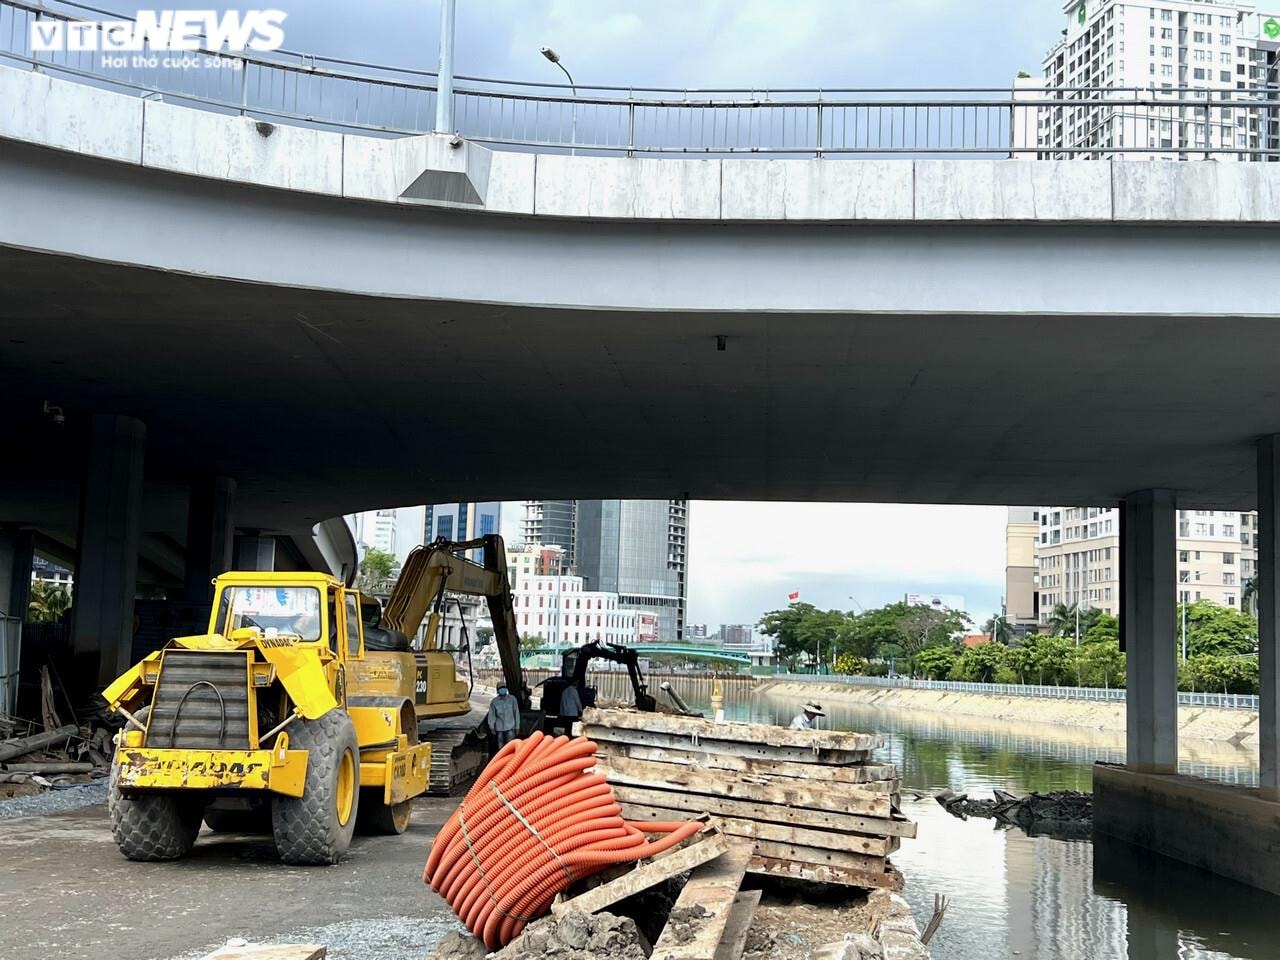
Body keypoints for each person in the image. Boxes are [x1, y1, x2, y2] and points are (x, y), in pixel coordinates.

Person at [487, 684, 521, 749]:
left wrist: (517, 727)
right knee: (501, 748)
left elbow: (516, 713)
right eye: (501, 688)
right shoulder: (494, 701)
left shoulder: (512, 699)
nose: (502, 689)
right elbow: (492, 715)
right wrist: (492, 727)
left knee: (510, 747)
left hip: (510, 727)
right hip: (499, 729)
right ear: (497, 690)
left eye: (504, 687)